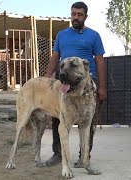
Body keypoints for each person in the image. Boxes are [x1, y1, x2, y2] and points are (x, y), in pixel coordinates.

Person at [44, 1, 106, 167]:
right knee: (59, 118)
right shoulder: (62, 35)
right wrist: (47, 77)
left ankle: (83, 157)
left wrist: (102, 87)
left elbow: (100, 62)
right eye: (73, 14)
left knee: (87, 121)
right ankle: (58, 154)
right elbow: (55, 57)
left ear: (86, 16)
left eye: (79, 14)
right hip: (63, 79)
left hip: (85, 83)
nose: (76, 17)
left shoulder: (94, 35)